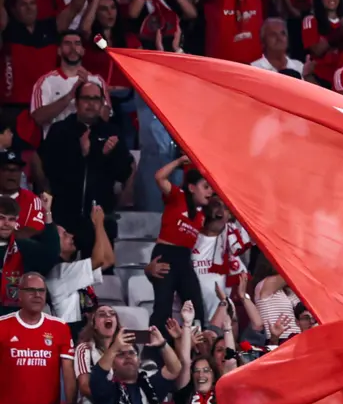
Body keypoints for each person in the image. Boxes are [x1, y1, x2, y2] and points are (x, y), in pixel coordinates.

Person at [39, 81, 134, 240]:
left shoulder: (112, 132)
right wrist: (81, 153)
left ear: (102, 103)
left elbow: (124, 173)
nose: (91, 104)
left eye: (96, 99)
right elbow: (50, 169)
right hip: (65, 218)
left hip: (101, 219)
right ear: (76, 102)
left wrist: (107, 155)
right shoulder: (60, 130)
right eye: (86, 98)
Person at [0, 273, 75, 404]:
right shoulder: (2, 326)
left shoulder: (59, 327)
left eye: (41, 291)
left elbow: (68, 371)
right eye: (31, 290)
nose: (37, 295)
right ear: (19, 295)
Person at [147, 156, 210, 336]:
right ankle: (154, 348)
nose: (210, 192)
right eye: (206, 187)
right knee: (163, 308)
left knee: (196, 306)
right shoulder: (178, 196)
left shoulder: (203, 214)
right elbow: (159, 177)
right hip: (165, 255)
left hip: (184, 258)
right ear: (191, 188)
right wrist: (180, 161)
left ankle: (197, 347)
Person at [30, 30, 110, 136]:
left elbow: (105, 117)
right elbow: (38, 118)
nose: (73, 48)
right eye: (67, 44)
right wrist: (70, 96)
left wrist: (88, 89)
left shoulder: (97, 81)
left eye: (77, 44)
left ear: (83, 51)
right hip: (57, 142)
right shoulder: (45, 81)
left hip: (91, 141)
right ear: (59, 51)